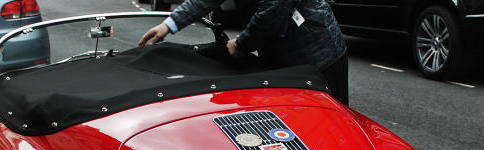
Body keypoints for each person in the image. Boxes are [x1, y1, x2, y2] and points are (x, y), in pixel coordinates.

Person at [138, 0, 349, 105]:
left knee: (332, 125)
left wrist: (241, 44)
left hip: (320, 57)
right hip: (284, 61)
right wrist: (169, 25)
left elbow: (273, 11)